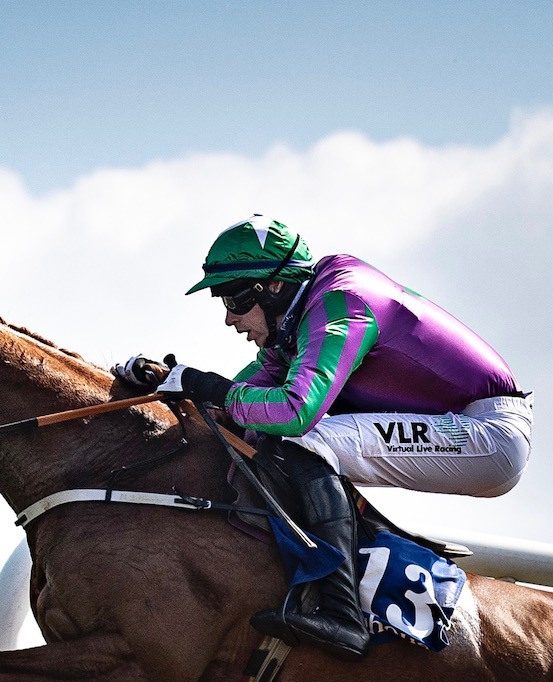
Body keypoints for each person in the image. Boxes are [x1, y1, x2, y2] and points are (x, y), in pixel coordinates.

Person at [116, 215, 531, 659]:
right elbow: (239, 405)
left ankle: (342, 614)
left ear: (272, 288)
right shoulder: (301, 315)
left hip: (488, 434)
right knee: (269, 444)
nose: (228, 319)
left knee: (304, 441)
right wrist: (166, 384)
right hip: (464, 426)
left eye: (233, 300)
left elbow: (294, 410)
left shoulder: (340, 303)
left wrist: (207, 385)